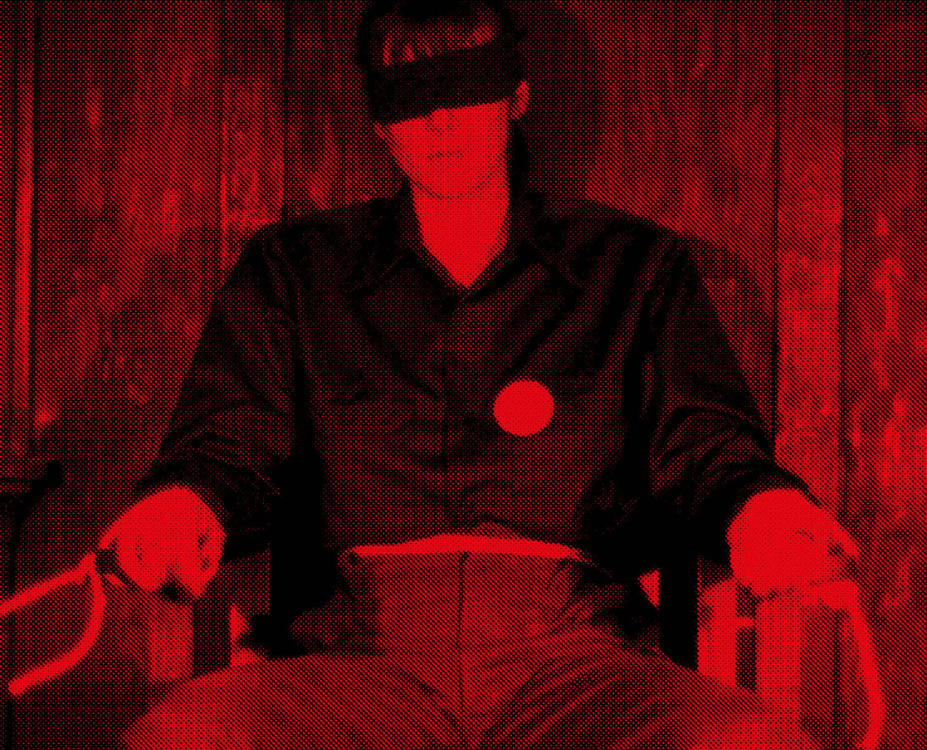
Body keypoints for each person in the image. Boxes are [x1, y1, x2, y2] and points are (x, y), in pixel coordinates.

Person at [103, 1, 857, 747]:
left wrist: (762, 510)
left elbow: (706, 442)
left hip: (582, 664)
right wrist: (182, 505)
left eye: (465, 86)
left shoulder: (635, 268)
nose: (439, 120)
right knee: (187, 737)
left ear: (516, 97)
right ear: (379, 123)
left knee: (750, 743)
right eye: (410, 95)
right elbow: (226, 445)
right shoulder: (295, 271)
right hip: (353, 663)